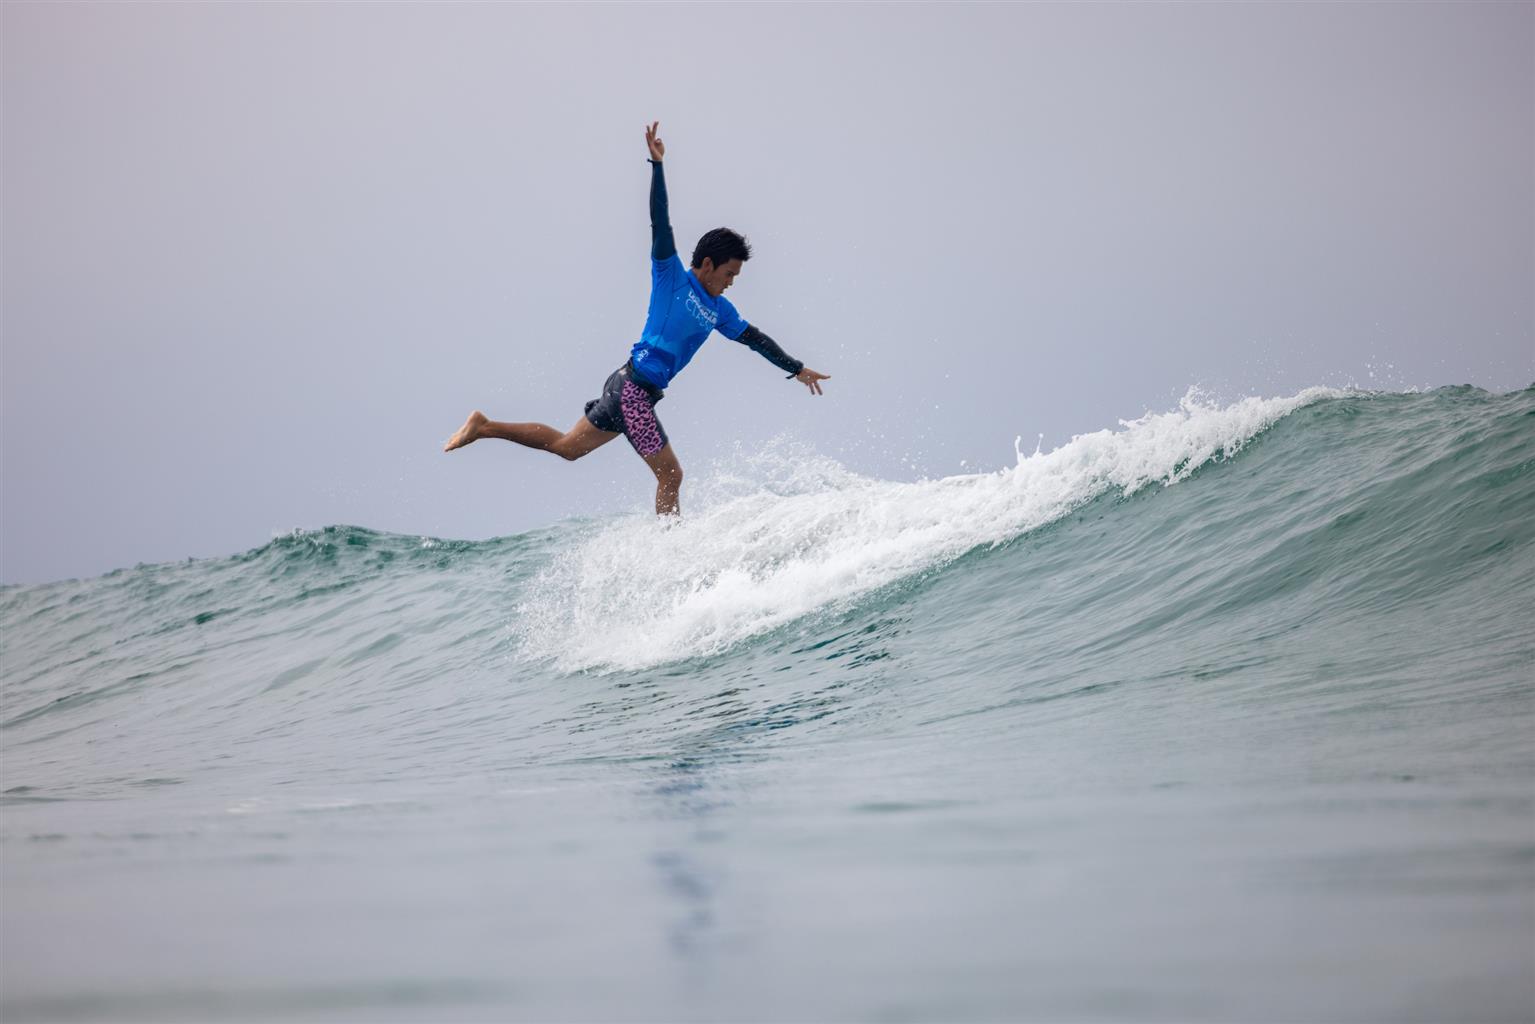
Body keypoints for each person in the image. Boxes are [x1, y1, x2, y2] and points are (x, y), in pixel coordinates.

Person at [444, 121, 830, 516]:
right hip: (632, 392)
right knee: (671, 476)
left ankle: (484, 426)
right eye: (729, 274)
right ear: (709, 264)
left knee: (566, 448)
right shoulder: (671, 278)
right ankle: (669, 551)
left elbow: (755, 339)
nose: (731, 283)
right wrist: (658, 166)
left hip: (628, 389)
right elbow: (660, 222)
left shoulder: (719, 311)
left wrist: (796, 368)